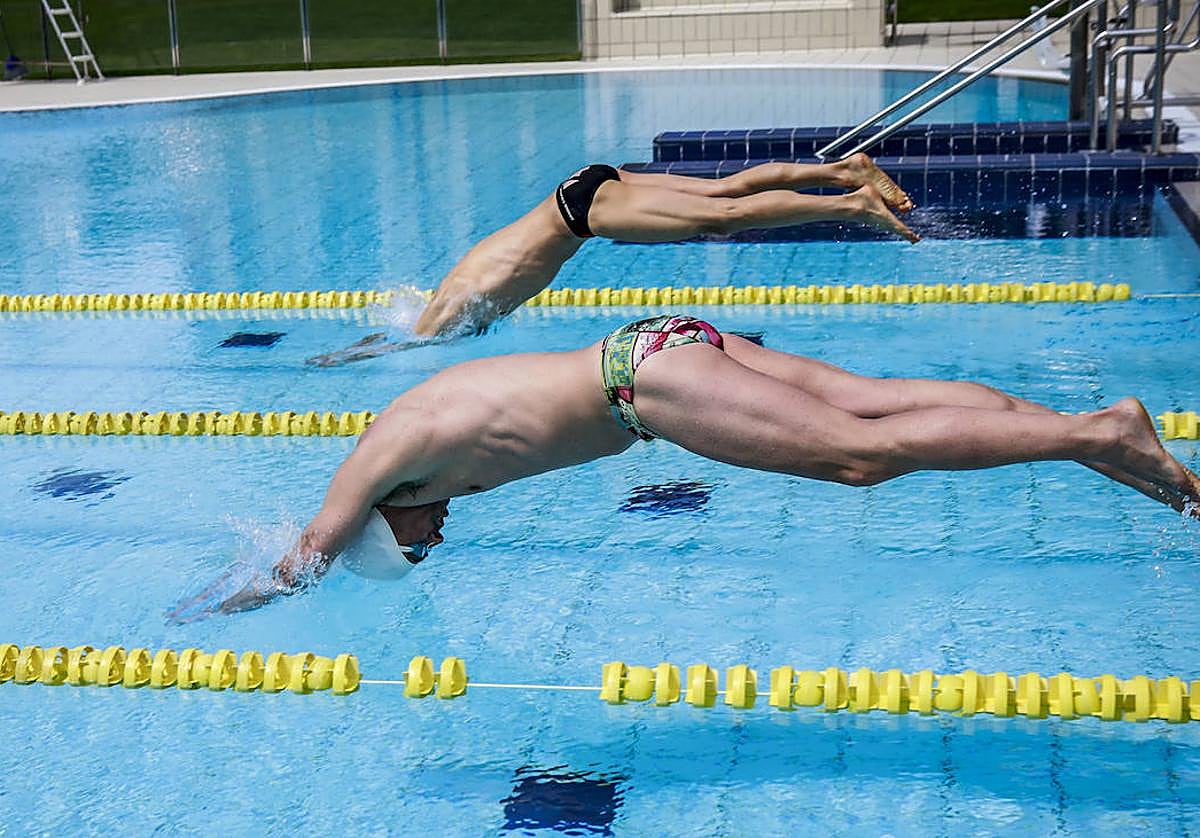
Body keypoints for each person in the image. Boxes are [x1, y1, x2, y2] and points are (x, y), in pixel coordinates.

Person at [195, 314, 1198, 617]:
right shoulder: (413, 437)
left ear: (388, 522)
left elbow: (311, 549)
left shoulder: (377, 467)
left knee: (860, 457)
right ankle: (1090, 428)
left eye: (415, 548)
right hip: (656, 344)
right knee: (874, 402)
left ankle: (1096, 439)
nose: (436, 538)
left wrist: (219, 605)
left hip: (649, 389)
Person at [304, 154, 919, 367]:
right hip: (582, 185)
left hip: (579, 215)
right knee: (724, 191)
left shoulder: (446, 317)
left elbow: (410, 343)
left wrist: (348, 358)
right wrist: (359, 347)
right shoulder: (451, 286)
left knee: (719, 217)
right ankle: (844, 171)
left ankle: (854, 204)